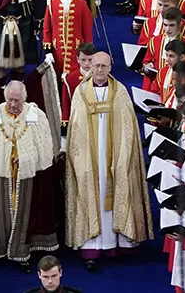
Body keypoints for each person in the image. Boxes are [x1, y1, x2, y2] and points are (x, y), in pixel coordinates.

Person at [65, 52, 152, 271]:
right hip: (90, 156)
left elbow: (128, 127)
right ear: (90, 67)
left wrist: (122, 156)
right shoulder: (81, 92)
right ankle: (93, 246)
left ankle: (120, 242)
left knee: (118, 185)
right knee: (91, 190)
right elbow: (76, 127)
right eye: (96, 66)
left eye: (104, 66)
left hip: (115, 155)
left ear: (110, 67)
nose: (100, 70)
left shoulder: (120, 92)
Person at [0, 80, 56, 268]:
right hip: (0, 177)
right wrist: (2, 159)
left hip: (27, 178)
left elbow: (46, 151)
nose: (13, 104)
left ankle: (22, 249)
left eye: (17, 101)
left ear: (25, 99)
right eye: (10, 100)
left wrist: (26, 158)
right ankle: (0, 247)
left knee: (26, 211)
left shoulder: (37, 115)